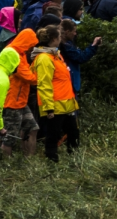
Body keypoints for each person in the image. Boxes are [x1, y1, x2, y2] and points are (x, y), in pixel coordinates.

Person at [31, 26, 80, 163]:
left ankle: (75, 160)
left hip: (66, 103)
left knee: (73, 133)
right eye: (59, 37)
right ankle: (52, 163)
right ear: (53, 39)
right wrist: (48, 107)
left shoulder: (55, 55)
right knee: (53, 136)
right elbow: (44, 84)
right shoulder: (44, 59)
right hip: (55, 104)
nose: (60, 40)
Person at [0, 30, 39, 159]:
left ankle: (29, 160)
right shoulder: (12, 53)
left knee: (32, 128)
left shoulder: (21, 53)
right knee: (10, 136)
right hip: (12, 101)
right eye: (31, 45)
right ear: (26, 42)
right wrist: (44, 77)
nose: (32, 48)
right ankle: (6, 166)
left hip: (21, 100)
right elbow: (27, 76)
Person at [58, 20, 100, 95]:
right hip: (70, 81)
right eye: (74, 31)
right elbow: (81, 57)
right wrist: (93, 46)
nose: (75, 34)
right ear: (67, 32)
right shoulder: (66, 47)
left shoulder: (68, 43)